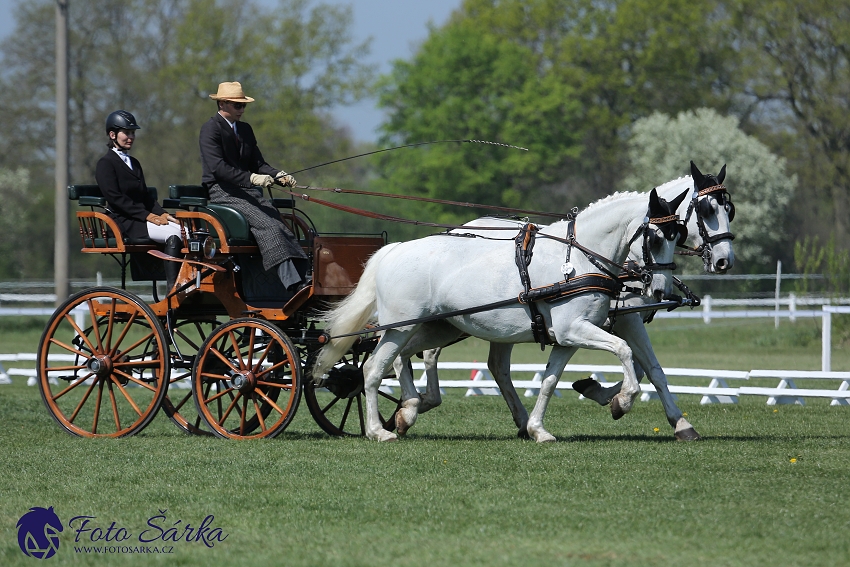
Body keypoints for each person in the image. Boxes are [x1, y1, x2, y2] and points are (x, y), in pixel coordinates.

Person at [199, 81, 309, 294]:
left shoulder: (245, 130)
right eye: (237, 105)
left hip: (247, 191)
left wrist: (277, 174)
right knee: (269, 226)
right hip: (222, 191)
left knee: (283, 226)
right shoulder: (210, 129)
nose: (242, 110)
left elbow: (258, 163)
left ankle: (303, 277)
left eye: (243, 106)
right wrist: (252, 179)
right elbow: (218, 168)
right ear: (222, 103)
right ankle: (292, 284)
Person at [95, 110, 183, 291]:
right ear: (112, 135)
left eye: (133, 133)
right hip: (125, 222)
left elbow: (145, 196)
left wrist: (163, 214)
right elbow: (116, 199)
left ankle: (190, 283)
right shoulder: (105, 164)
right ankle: (173, 288)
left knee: (185, 231)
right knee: (173, 235)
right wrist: (147, 216)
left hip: (141, 218)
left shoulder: (134, 162)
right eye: (126, 133)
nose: (131, 137)